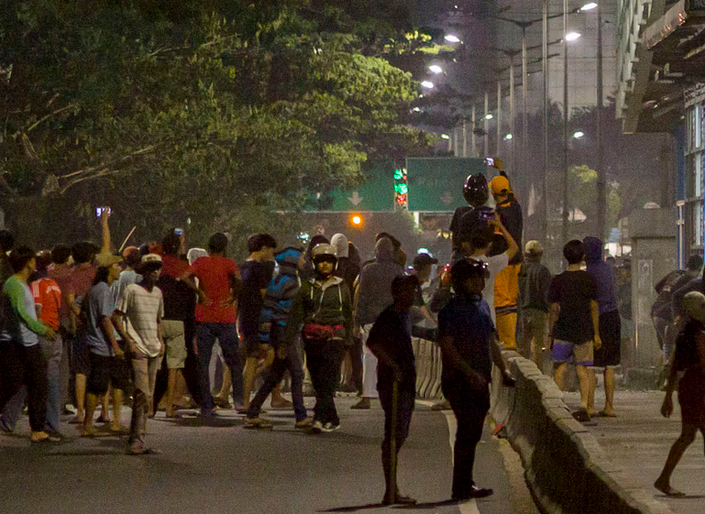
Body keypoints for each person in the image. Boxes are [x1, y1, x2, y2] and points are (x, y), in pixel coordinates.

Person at [438, 258, 514, 501]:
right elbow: (448, 348)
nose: (479, 283)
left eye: (481, 278)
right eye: (473, 278)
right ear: (460, 282)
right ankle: (460, 486)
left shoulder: (482, 307)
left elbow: (492, 343)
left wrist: (503, 370)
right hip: (460, 381)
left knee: (472, 433)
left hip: (481, 379)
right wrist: (469, 373)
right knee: (466, 432)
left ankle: (465, 482)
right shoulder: (451, 311)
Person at [284, 243, 352, 433]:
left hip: (335, 339)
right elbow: (296, 314)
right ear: (315, 264)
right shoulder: (307, 287)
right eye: (321, 262)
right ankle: (331, 417)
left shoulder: (342, 286)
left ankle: (319, 417)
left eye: (328, 262)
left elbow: (348, 315)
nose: (324, 265)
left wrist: (348, 339)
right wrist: (287, 339)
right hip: (312, 339)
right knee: (317, 379)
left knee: (328, 379)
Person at [366, 275, 420, 506]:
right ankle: (391, 490)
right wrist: (392, 365)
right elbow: (373, 343)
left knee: (400, 435)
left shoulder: (405, 316)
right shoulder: (389, 316)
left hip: (406, 382)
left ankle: (392, 488)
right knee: (393, 436)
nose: (412, 295)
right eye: (408, 291)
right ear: (397, 293)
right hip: (393, 383)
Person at [244, 247, 312, 429]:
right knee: (297, 373)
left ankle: (252, 411)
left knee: (275, 376)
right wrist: (265, 340)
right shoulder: (282, 282)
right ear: (292, 261)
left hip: (286, 333)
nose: (304, 261)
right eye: (302, 258)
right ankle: (301, 416)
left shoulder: (289, 281)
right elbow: (268, 311)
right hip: (282, 333)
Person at [0, 246, 58, 443]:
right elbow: (21, 314)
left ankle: (38, 429)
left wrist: (40, 324)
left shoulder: (22, 283)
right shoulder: (13, 284)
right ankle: (37, 429)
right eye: (33, 259)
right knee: (11, 384)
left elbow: (28, 313)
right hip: (16, 344)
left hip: (28, 342)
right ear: (28, 263)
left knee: (38, 385)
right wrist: (41, 329)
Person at [113, 254, 165, 454]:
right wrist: (130, 342)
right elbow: (117, 316)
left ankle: (140, 438)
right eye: (151, 268)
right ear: (143, 271)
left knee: (148, 396)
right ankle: (135, 439)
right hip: (138, 349)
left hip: (153, 348)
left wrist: (161, 341)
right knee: (142, 393)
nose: (155, 272)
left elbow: (158, 319)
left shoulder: (158, 294)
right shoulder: (131, 290)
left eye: (158, 268)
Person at [655, 291, 705, 497]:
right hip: (698, 387)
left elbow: (675, 364)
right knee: (688, 435)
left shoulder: (683, 331)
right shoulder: (698, 331)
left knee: (688, 435)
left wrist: (668, 396)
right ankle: (664, 478)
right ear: (695, 309)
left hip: (687, 387)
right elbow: (703, 362)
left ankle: (664, 479)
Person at [188, 233, 243, 418]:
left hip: (204, 316)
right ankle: (239, 401)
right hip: (225, 317)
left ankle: (207, 405)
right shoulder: (229, 263)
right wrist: (233, 296)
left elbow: (185, 277)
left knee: (202, 363)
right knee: (233, 361)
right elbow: (239, 280)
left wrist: (199, 292)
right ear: (224, 247)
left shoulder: (200, 262)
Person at [549, 240, 601, 420]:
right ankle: (584, 406)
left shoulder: (558, 280)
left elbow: (554, 309)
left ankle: (558, 404)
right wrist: (596, 333)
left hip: (562, 330)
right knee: (583, 369)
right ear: (583, 257)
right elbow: (594, 307)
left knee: (560, 368)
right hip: (584, 330)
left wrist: (551, 332)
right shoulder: (589, 280)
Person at [81, 253, 131, 437]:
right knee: (97, 386)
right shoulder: (102, 289)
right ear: (108, 268)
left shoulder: (100, 289)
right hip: (101, 346)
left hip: (102, 344)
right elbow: (105, 319)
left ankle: (113, 423)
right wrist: (115, 345)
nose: (120, 268)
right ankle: (87, 425)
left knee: (112, 383)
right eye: (117, 265)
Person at [352, 237, 405, 410]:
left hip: (371, 320)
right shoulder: (398, 271)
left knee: (369, 357)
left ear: (376, 252)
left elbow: (362, 298)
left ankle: (367, 396)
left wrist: (356, 322)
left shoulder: (367, 270)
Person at [239, 234, 287, 412]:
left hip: (245, 316)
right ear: (263, 248)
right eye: (271, 251)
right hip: (258, 317)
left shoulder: (243, 266)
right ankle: (245, 401)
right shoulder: (259, 268)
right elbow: (264, 294)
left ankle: (246, 398)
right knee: (256, 358)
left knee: (257, 357)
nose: (272, 255)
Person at [155, 230, 199, 417]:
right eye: (181, 241)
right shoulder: (181, 266)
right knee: (176, 365)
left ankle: (153, 404)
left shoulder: (158, 265)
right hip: (179, 319)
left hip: (157, 319)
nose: (184, 244)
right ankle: (172, 404)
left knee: (157, 365)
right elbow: (189, 292)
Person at [584, 237, 621, 418]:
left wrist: (595, 332)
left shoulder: (588, 272)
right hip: (613, 317)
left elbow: (592, 303)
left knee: (590, 365)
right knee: (610, 365)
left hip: (596, 318)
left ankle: (590, 405)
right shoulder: (607, 268)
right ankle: (610, 406)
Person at [466, 220, 518, 324]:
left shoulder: (463, 264)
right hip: (486, 317)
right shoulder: (492, 263)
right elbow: (514, 248)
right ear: (489, 244)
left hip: (467, 319)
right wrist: (500, 225)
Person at [332, 233, 362, 393]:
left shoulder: (345, 267)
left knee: (345, 346)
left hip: (342, 311)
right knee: (349, 347)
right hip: (346, 310)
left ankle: (349, 380)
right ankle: (352, 380)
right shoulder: (353, 266)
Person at [519, 241, 552, 370]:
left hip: (521, 312)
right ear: (541, 254)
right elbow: (547, 294)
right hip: (539, 312)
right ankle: (535, 376)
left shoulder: (519, 269)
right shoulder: (543, 271)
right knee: (537, 347)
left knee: (522, 346)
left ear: (525, 253)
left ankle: (521, 376)